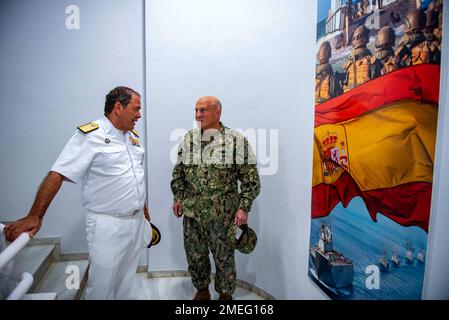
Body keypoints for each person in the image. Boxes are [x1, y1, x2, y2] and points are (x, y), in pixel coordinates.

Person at [4, 86, 150, 300]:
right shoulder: (91, 135)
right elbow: (58, 174)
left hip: (136, 221)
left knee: (126, 281)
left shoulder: (132, 138)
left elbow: (134, 178)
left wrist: (143, 211)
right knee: (102, 285)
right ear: (118, 107)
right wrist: (36, 214)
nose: (139, 115)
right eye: (136, 109)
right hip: (108, 224)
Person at [170, 96, 260, 300]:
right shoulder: (189, 139)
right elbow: (179, 172)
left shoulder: (235, 141)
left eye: (203, 110)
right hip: (192, 214)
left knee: (224, 259)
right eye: (196, 110)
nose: (197, 115)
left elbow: (250, 178)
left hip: (222, 216)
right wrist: (178, 197)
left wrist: (243, 207)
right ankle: (202, 291)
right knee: (195, 255)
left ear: (217, 112)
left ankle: (225, 295)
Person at [342, 25, 382, 92]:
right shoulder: (372, 62)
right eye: (366, 35)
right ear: (362, 38)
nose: (368, 37)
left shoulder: (347, 66)